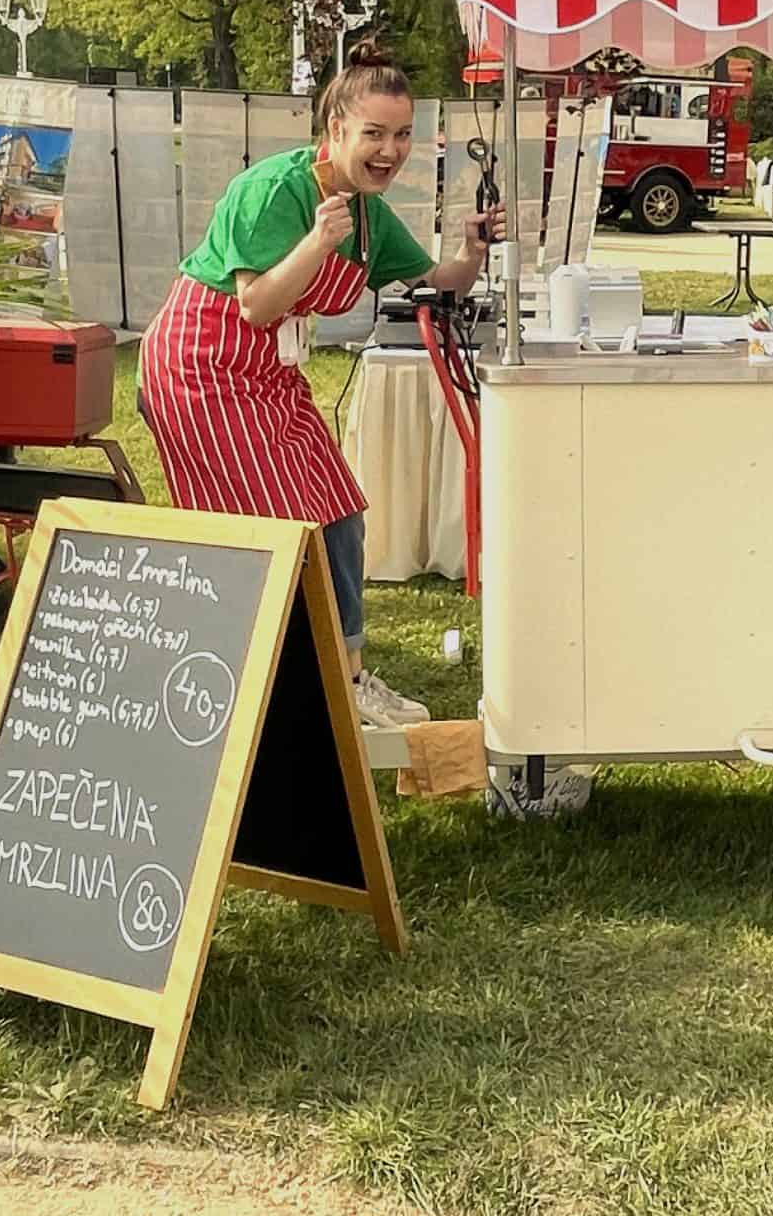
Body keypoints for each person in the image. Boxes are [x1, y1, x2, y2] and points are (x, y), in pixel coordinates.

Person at [140, 42, 503, 730]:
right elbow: (255, 305)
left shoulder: (367, 214)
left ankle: (347, 678)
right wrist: (314, 241)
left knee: (340, 510)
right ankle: (260, 685)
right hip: (203, 369)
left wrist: (472, 251)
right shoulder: (275, 190)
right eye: (374, 133)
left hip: (271, 375)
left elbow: (434, 286)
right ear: (334, 130)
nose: (390, 151)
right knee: (279, 529)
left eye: (401, 135)